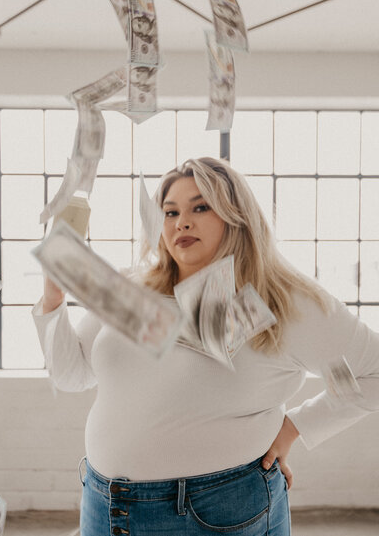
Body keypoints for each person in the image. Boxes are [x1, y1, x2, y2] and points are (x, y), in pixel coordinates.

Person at [32, 156, 379, 536]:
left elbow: (373, 371)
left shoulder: (283, 300)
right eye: (170, 211)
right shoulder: (131, 286)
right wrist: (53, 297)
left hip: (216, 513)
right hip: (104, 505)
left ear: (236, 215)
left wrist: (296, 427)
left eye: (200, 206)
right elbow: (72, 375)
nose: (181, 221)